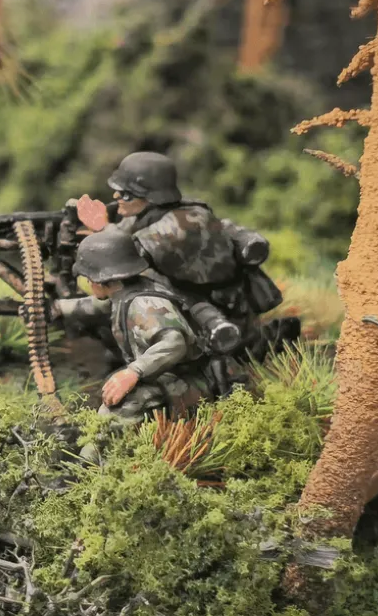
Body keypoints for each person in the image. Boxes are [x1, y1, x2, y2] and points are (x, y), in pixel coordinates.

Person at [77, 151, 300, 361]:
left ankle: (266, 338)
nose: (116, 197)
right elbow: (127, 233)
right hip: (198, 299)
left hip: (218, 305)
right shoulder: (151, 214)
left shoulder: (177, 226)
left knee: (227, 355)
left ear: (151, 197)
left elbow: (122, 256)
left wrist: (102, 228)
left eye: (126, 194)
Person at [52, 228, 228, 431]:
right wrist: (58, 307)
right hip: (165, 373)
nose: (89, 283)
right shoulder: (128, 290)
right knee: (113, 387)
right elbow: (99, 305)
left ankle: (96, 449)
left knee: (115, 411)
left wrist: (133, 372)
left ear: (100, 279)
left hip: (187, 382)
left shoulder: (143, 305)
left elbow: (174, 343)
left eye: (89, 277)